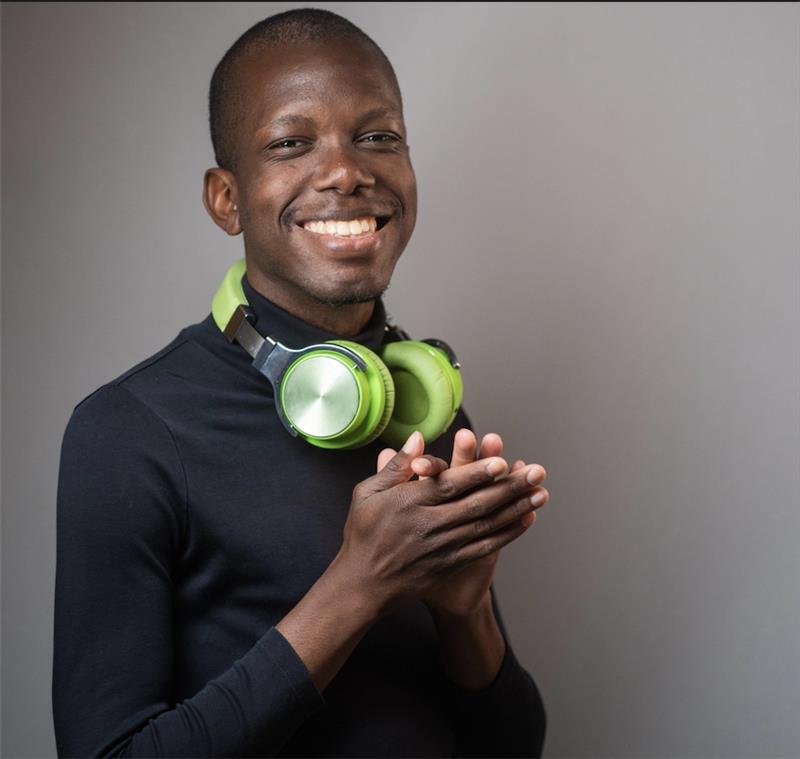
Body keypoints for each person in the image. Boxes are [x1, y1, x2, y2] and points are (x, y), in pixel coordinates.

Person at [52, 8, 550, 758]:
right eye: (292, 143)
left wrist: (465, 611)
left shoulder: (429, 416)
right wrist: (359, 584)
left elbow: (511, 747)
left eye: (378, 136)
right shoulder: (128, 433)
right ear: (227, 198)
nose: (348, 171)